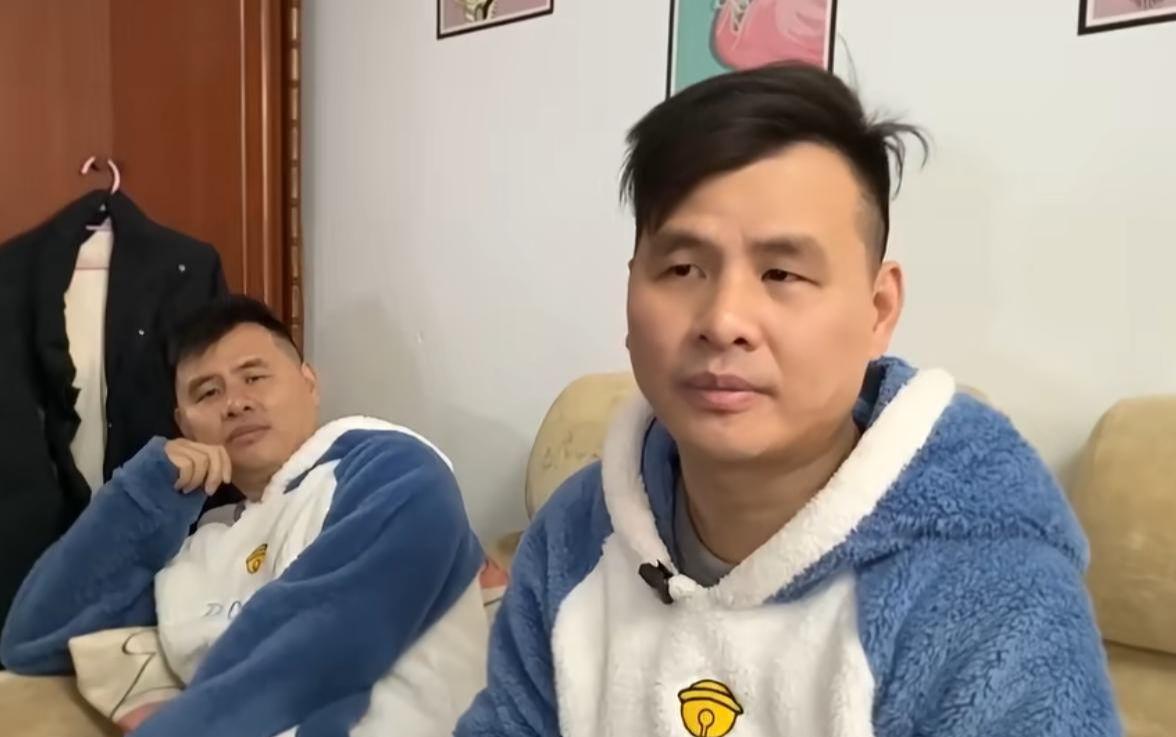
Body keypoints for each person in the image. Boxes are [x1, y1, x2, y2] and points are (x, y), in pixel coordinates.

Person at [456, 63, 1121, 737]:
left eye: (781, 272)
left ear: (878, 309)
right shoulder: (573, 539)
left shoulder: (991, 593)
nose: (724, 320)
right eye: (683, 268)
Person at [1, 296, 488, 737]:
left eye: (254, 377)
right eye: (207, 393)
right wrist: (144, 492)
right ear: (184, 424)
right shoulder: (202, 544)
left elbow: (316, 655)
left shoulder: (392, 470)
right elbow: (36, 642)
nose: (235, 403)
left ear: (309, 383)